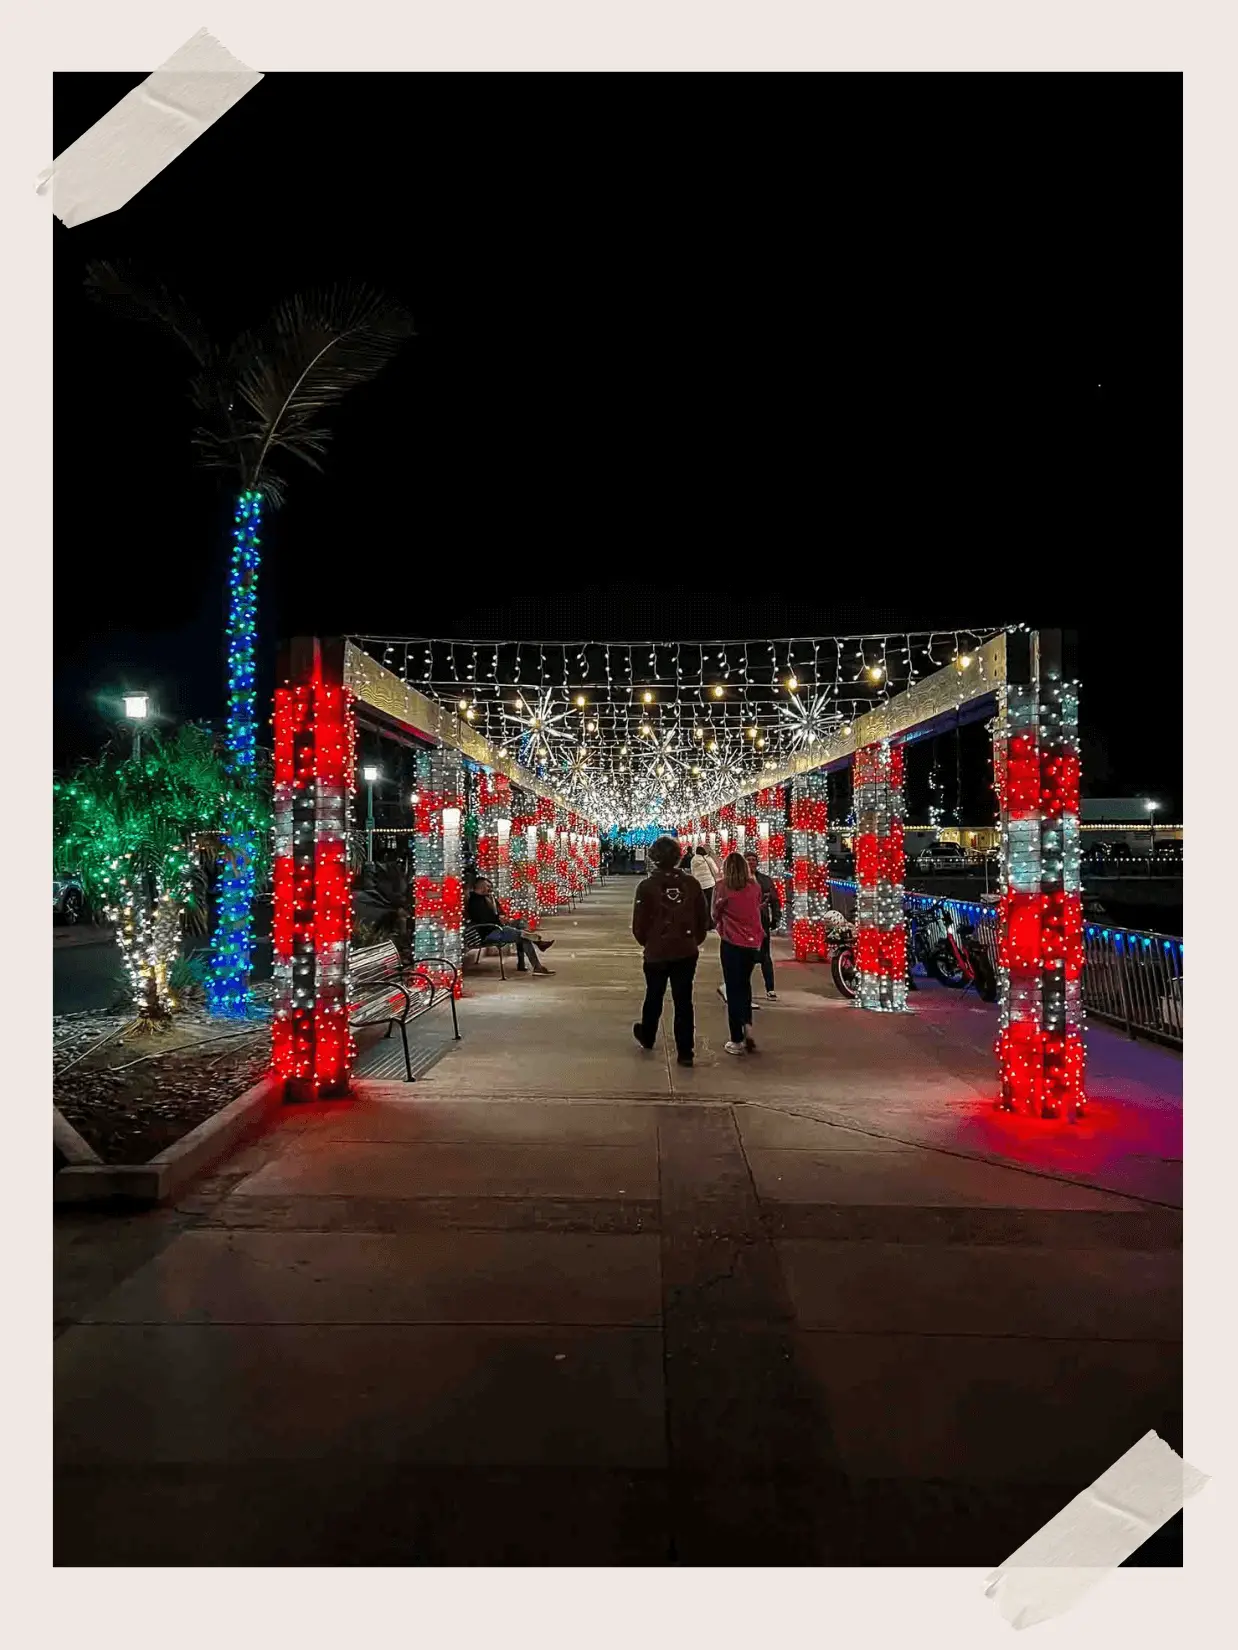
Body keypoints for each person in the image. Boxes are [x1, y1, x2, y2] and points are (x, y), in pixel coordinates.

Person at [631, 834, 709, 1067]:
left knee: (654, 995)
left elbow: (639, 925)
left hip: (656, 951)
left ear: (654, 858)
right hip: (685, 950)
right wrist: (693, 940)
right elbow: (702, 920)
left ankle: (648, 1034)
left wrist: (650, 941)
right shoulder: (692, 884)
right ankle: (685, 1051)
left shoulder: (646, 886)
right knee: (683, 1000)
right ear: (678, 857)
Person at [710, 852, 764, 1054]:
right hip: (752, 943)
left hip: (732, 943)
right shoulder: (754, 887)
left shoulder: (722, 887)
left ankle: (737, 1038)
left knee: (733, 989)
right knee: (744, 984)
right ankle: (747, 1023)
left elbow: (715, 913)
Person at [465, 877, 555, 975]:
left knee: (520, 922)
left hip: (499, 926)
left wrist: (502, 917)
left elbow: (500, 912)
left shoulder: (489, 898)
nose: (490, 889)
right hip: (490, 932)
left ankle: (531, 938)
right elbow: (484, 920)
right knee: (522, 937)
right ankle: (537, 957)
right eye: (488, 886)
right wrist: (498, 918)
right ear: (480, 886)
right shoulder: (474, 902)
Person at [745, 850, 783, 1001]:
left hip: (762, 922)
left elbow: (774, 900)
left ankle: (770, 988)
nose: (751, 862)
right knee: (745, 957)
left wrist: (776, 918)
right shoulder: (739, 881)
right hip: (744, 923)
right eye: (748, 859)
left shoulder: (765, 880)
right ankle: (742, 988)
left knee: (765, 955)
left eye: (754, 859)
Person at [688, 842, 718, 926]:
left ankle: (701, 923)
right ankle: (709, 923)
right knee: (710, 905)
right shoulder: (708, 859)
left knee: (701, 904)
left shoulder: (693, 860)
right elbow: (715, 870)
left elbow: (692, 871)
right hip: (709, 884)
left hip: (698, 884)